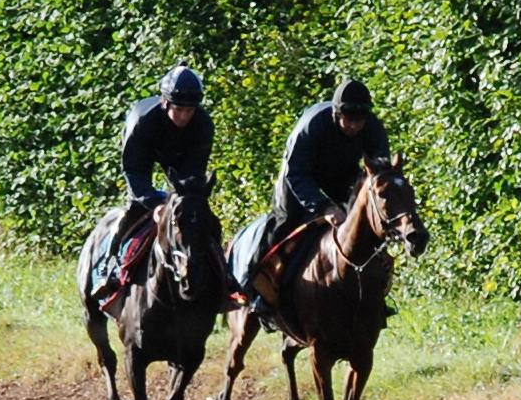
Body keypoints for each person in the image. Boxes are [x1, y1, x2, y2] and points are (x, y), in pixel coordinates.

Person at [247, 77, 394, 319]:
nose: (356, 125)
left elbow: (380, 173)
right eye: (349, 118)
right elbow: (296, 172)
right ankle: (262, 292)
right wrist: (323, 207)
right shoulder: (312, 126)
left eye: (361, 119)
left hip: (343, 178)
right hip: (299, 179)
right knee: (285, 225)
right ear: (337, 114)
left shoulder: (372, 127)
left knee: (366, 228)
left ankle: (373, 293)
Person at [93, 62, 219, 300]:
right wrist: (154, 204)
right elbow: (134, 170)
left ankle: (223, 279)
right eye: (179, 109)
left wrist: (181, 201)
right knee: (132, 211)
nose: (184, 116)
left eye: (189, 110)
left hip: (182, 157)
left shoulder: (202, 124)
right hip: (144, 154)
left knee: (202, 217)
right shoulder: (144, 121)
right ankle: (107, 269)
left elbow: (193, 175)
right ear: (165, 103)